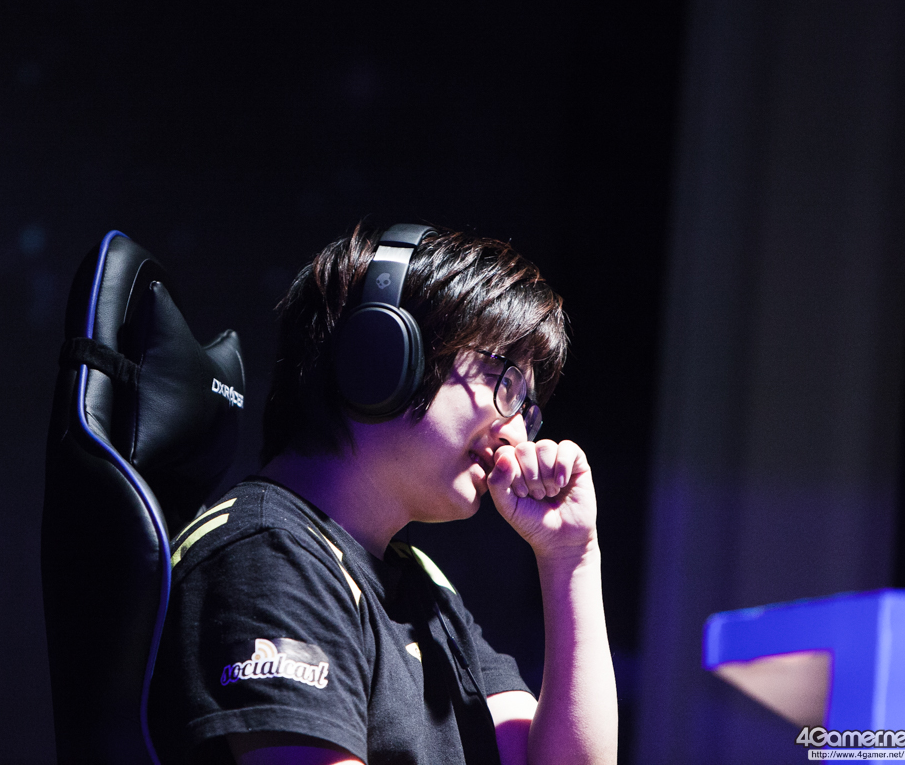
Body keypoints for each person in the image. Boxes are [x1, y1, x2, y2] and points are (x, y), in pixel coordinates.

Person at [150, 223, 617, 765]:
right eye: (504, 382)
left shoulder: (417, 584)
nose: (517, 434)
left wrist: (570, 557)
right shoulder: (269, 555)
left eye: (526, 409)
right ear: (383, 355)